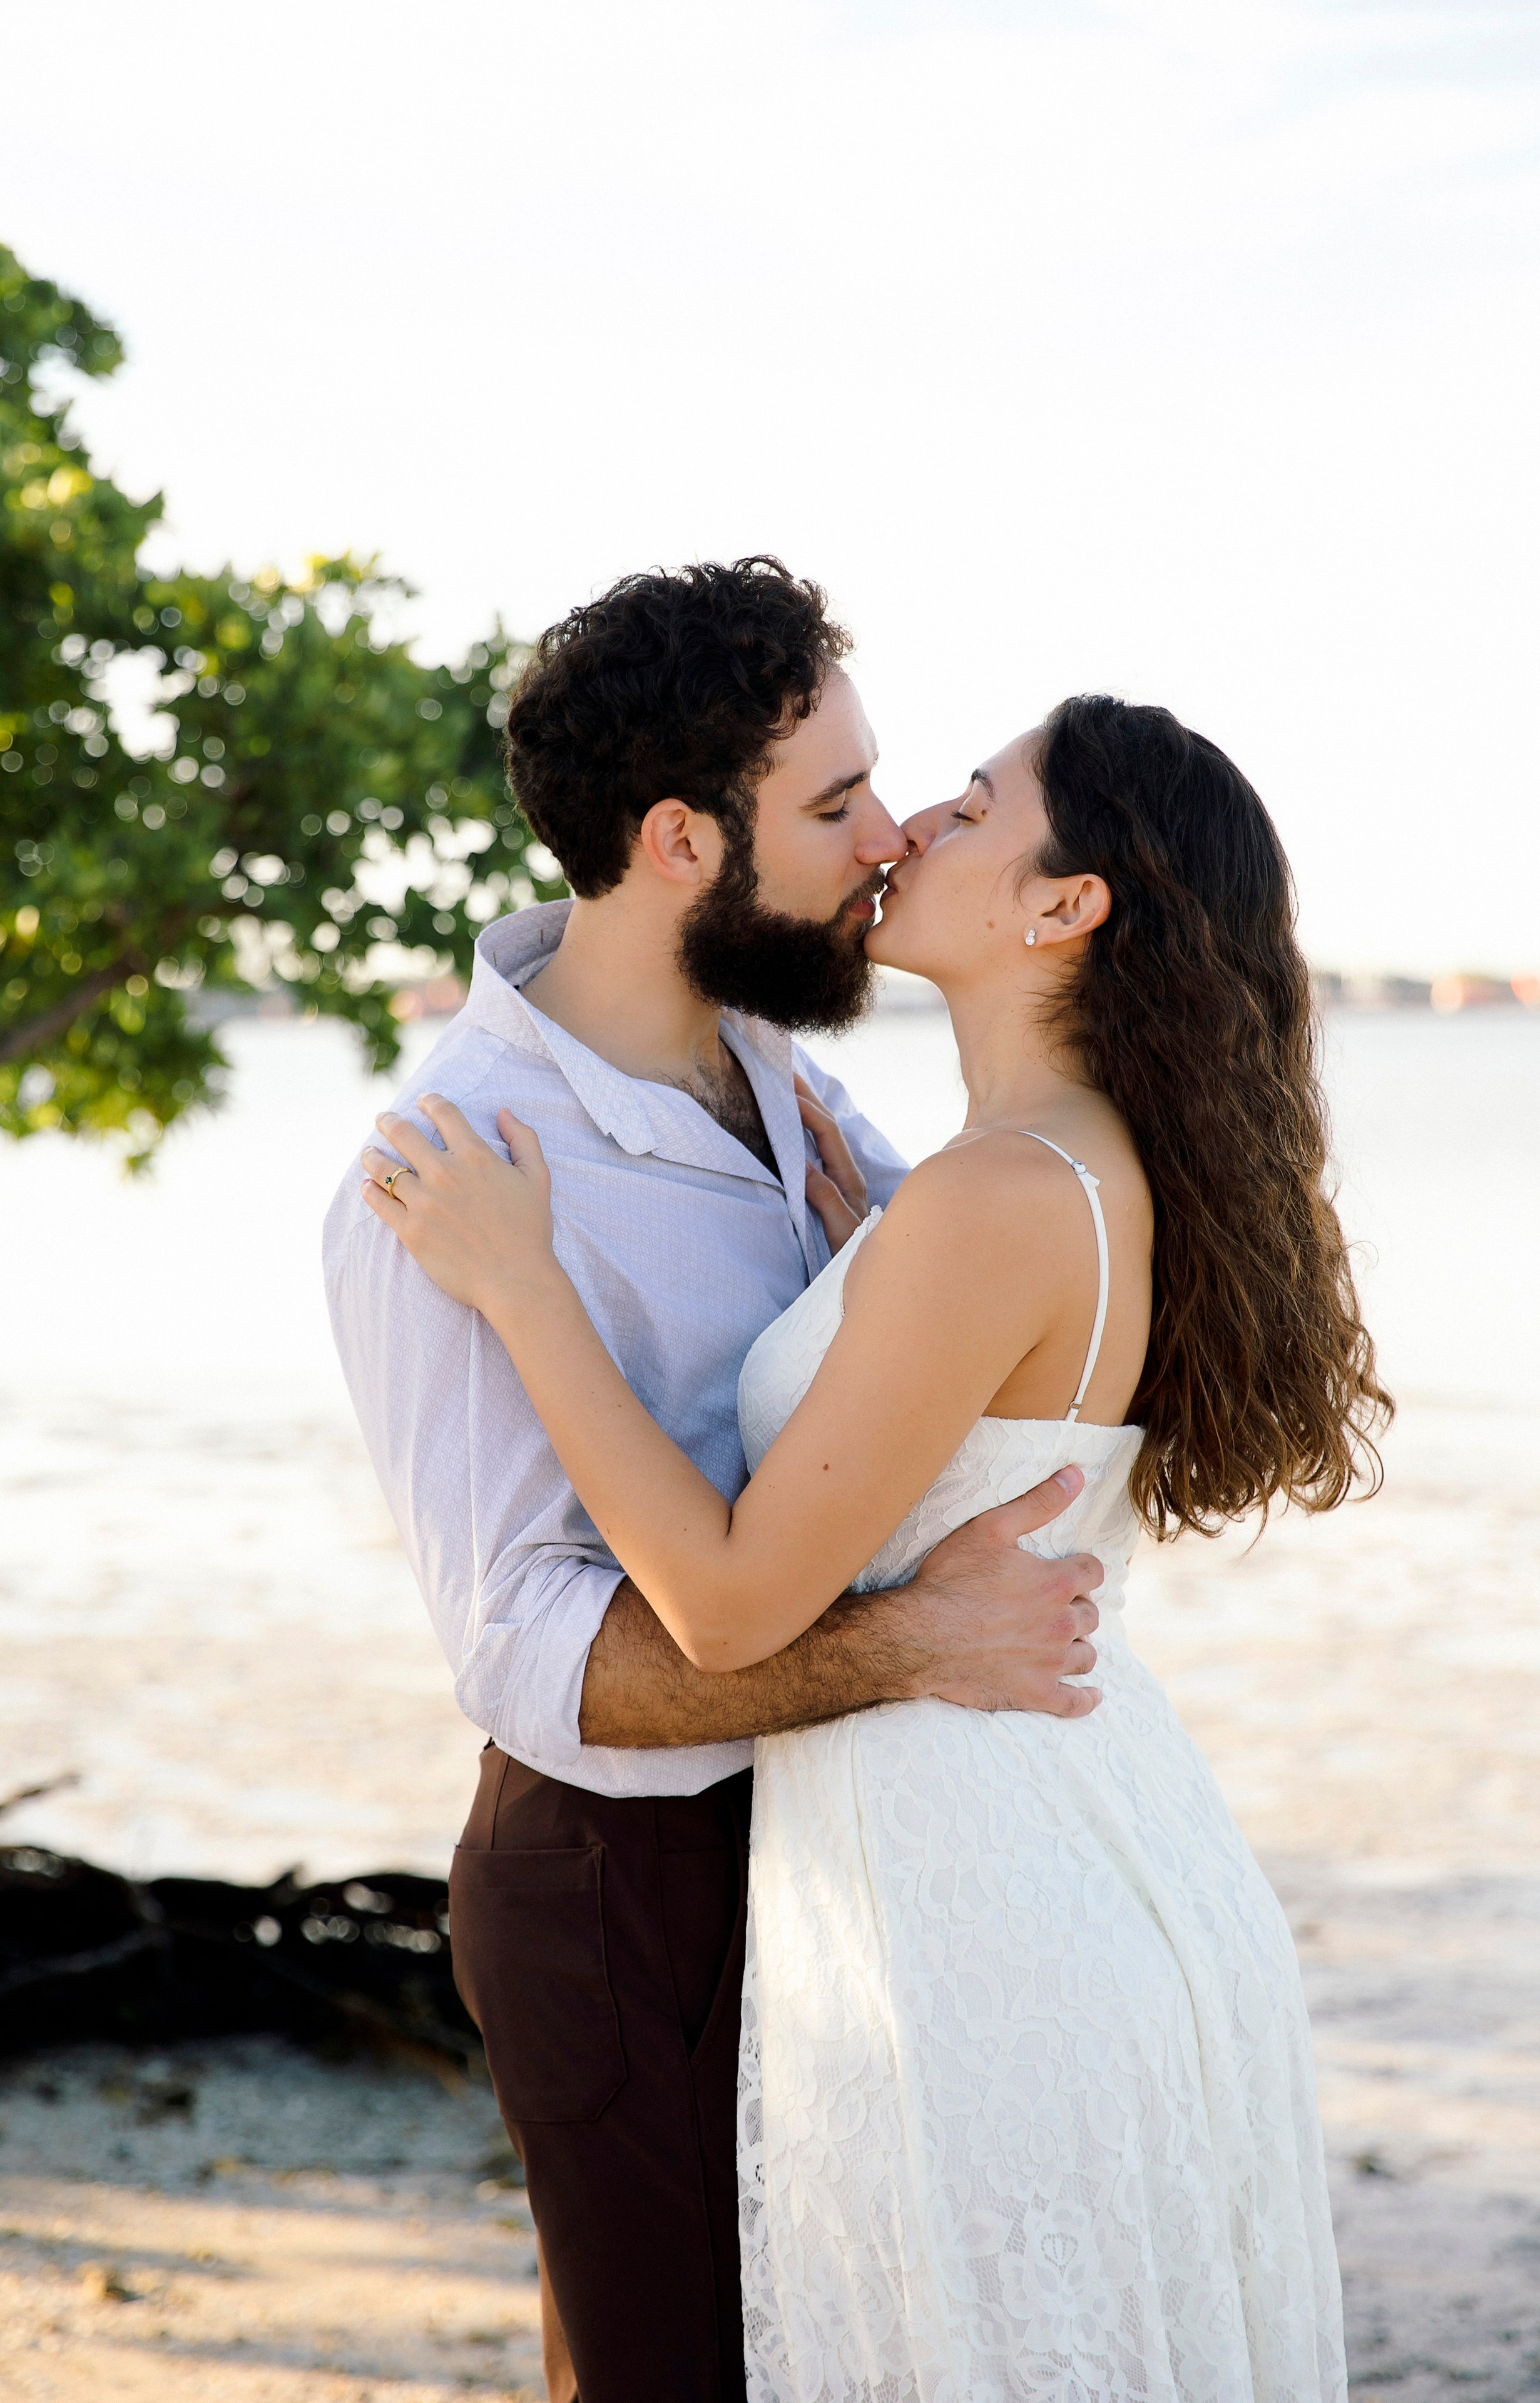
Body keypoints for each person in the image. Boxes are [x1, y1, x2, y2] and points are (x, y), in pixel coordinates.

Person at [360, 691, 1392, 2400]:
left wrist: (523, 1287)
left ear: (1068, 907)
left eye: (976, 808)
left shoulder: (994, 1199)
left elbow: (727, 1602)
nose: (913, 826)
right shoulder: (1015, 1170)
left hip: (982, 1882)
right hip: (1048, 1820)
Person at [324, 558, 1106, 2403]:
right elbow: (529, 1651)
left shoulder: (788, 1082)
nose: (891, 835)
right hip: (622, 1887)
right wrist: (909, 1650)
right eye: (835, 805)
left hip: (827, 1855)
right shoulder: (450, 1179)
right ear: (680, 840)